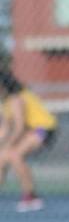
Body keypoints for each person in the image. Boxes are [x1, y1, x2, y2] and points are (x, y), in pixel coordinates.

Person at [0, 72, 58, 212]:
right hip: (31, 130)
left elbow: (19, 128)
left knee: (14, 155)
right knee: (2, 157)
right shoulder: (5, 102)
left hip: (43, 129)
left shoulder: (16, 99)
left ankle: (31, 197)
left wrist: (7, 144)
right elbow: (6, 128)